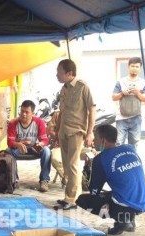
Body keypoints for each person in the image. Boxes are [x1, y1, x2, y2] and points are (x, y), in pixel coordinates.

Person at [76, 125, 145, 235]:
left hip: (127, 202)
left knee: (83, 200)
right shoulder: (130, 148)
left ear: (103, 140)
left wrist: (88, 167)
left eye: (96, 137)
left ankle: (121, 221)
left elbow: (93, 190)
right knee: (121, 191)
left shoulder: (100, 159)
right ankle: (130, 219)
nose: (94, 140)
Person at [55, 59, 96, 210]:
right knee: (66, 165)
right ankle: (69, 196)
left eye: (59, 72)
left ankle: (71, 200)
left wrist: (90, 132)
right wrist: (57, 131)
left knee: (72, 165)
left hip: (77, 131)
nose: (57, 75)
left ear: (69, 73)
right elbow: (62, 112)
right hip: (63, 131)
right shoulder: (64, 89)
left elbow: (92, 109)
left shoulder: (82, 86)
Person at [6, 100, 51, 192]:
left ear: (32, 113)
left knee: (47, 151)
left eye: (27, 112)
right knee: (9, 151)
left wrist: (41, 144)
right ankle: (15, 179)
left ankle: (44, 180)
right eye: (22, 111)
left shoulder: (39, 122)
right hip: (19, 148)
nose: (24, 114)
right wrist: (18, 144)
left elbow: (45, 140)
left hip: (34, 147)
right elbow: (10, 142)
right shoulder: (13, 123)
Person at [112, 57, 145, 149]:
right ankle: (119, 163)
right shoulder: (121, 81)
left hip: (136, 117)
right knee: (119, 143)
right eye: (132, 66)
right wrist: (122, 93)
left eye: (137, 66)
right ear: (128, 67)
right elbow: (113, 97)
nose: (134, 68)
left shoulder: (143, 82)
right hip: (121, 118)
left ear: (140, 68)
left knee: (134, 144)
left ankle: (131, 161)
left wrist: (137, 93)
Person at [47, 110, 66, 186]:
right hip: (60, 146)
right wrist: (60, 138)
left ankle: (86, 181)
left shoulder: (81, 113)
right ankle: (69, 180)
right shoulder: (58, 114)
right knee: (55, 159)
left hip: (79, 146)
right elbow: (49, 130)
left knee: (92, 156)